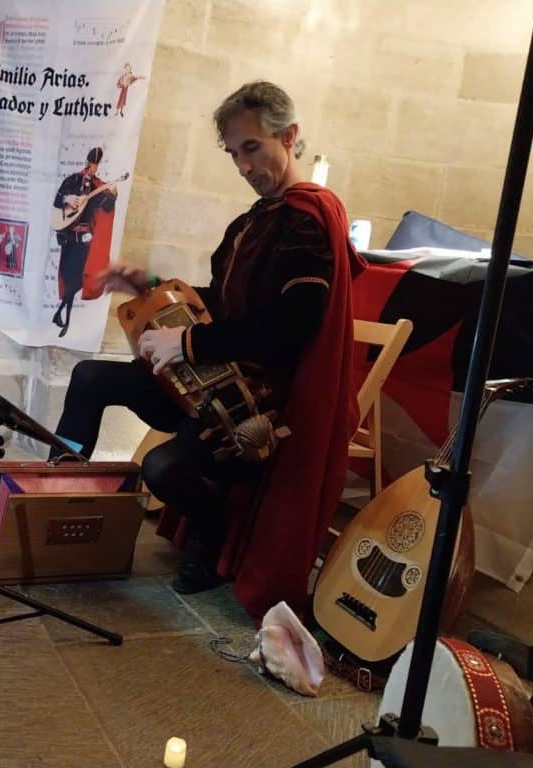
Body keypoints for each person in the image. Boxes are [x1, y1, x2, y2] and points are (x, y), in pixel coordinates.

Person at [46, 81, 367, 615]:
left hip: (258, 402)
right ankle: (50, 503)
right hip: (212, 379)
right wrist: (148, 284)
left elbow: (292, 325)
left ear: (288, 137)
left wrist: (188, 341)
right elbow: (222, 299)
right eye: (233, 152)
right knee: (91, 379)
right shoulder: (253, 222)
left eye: (252, 148)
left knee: (164, 470)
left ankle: (210, 532)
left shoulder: (306, 221)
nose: (242, 166)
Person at [51, 147, 117, 338]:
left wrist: (112, 195)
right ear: (87, 162)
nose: (93, 168)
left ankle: (65, 319)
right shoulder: (72, 180)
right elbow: (58, 200)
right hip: (70, 238)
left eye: (96, 165)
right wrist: (67, 199)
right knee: (68, 276)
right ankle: (60, 314)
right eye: (91, 163)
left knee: (76, 281)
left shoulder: (98, 187)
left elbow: (106, 205)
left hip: (85, 242)